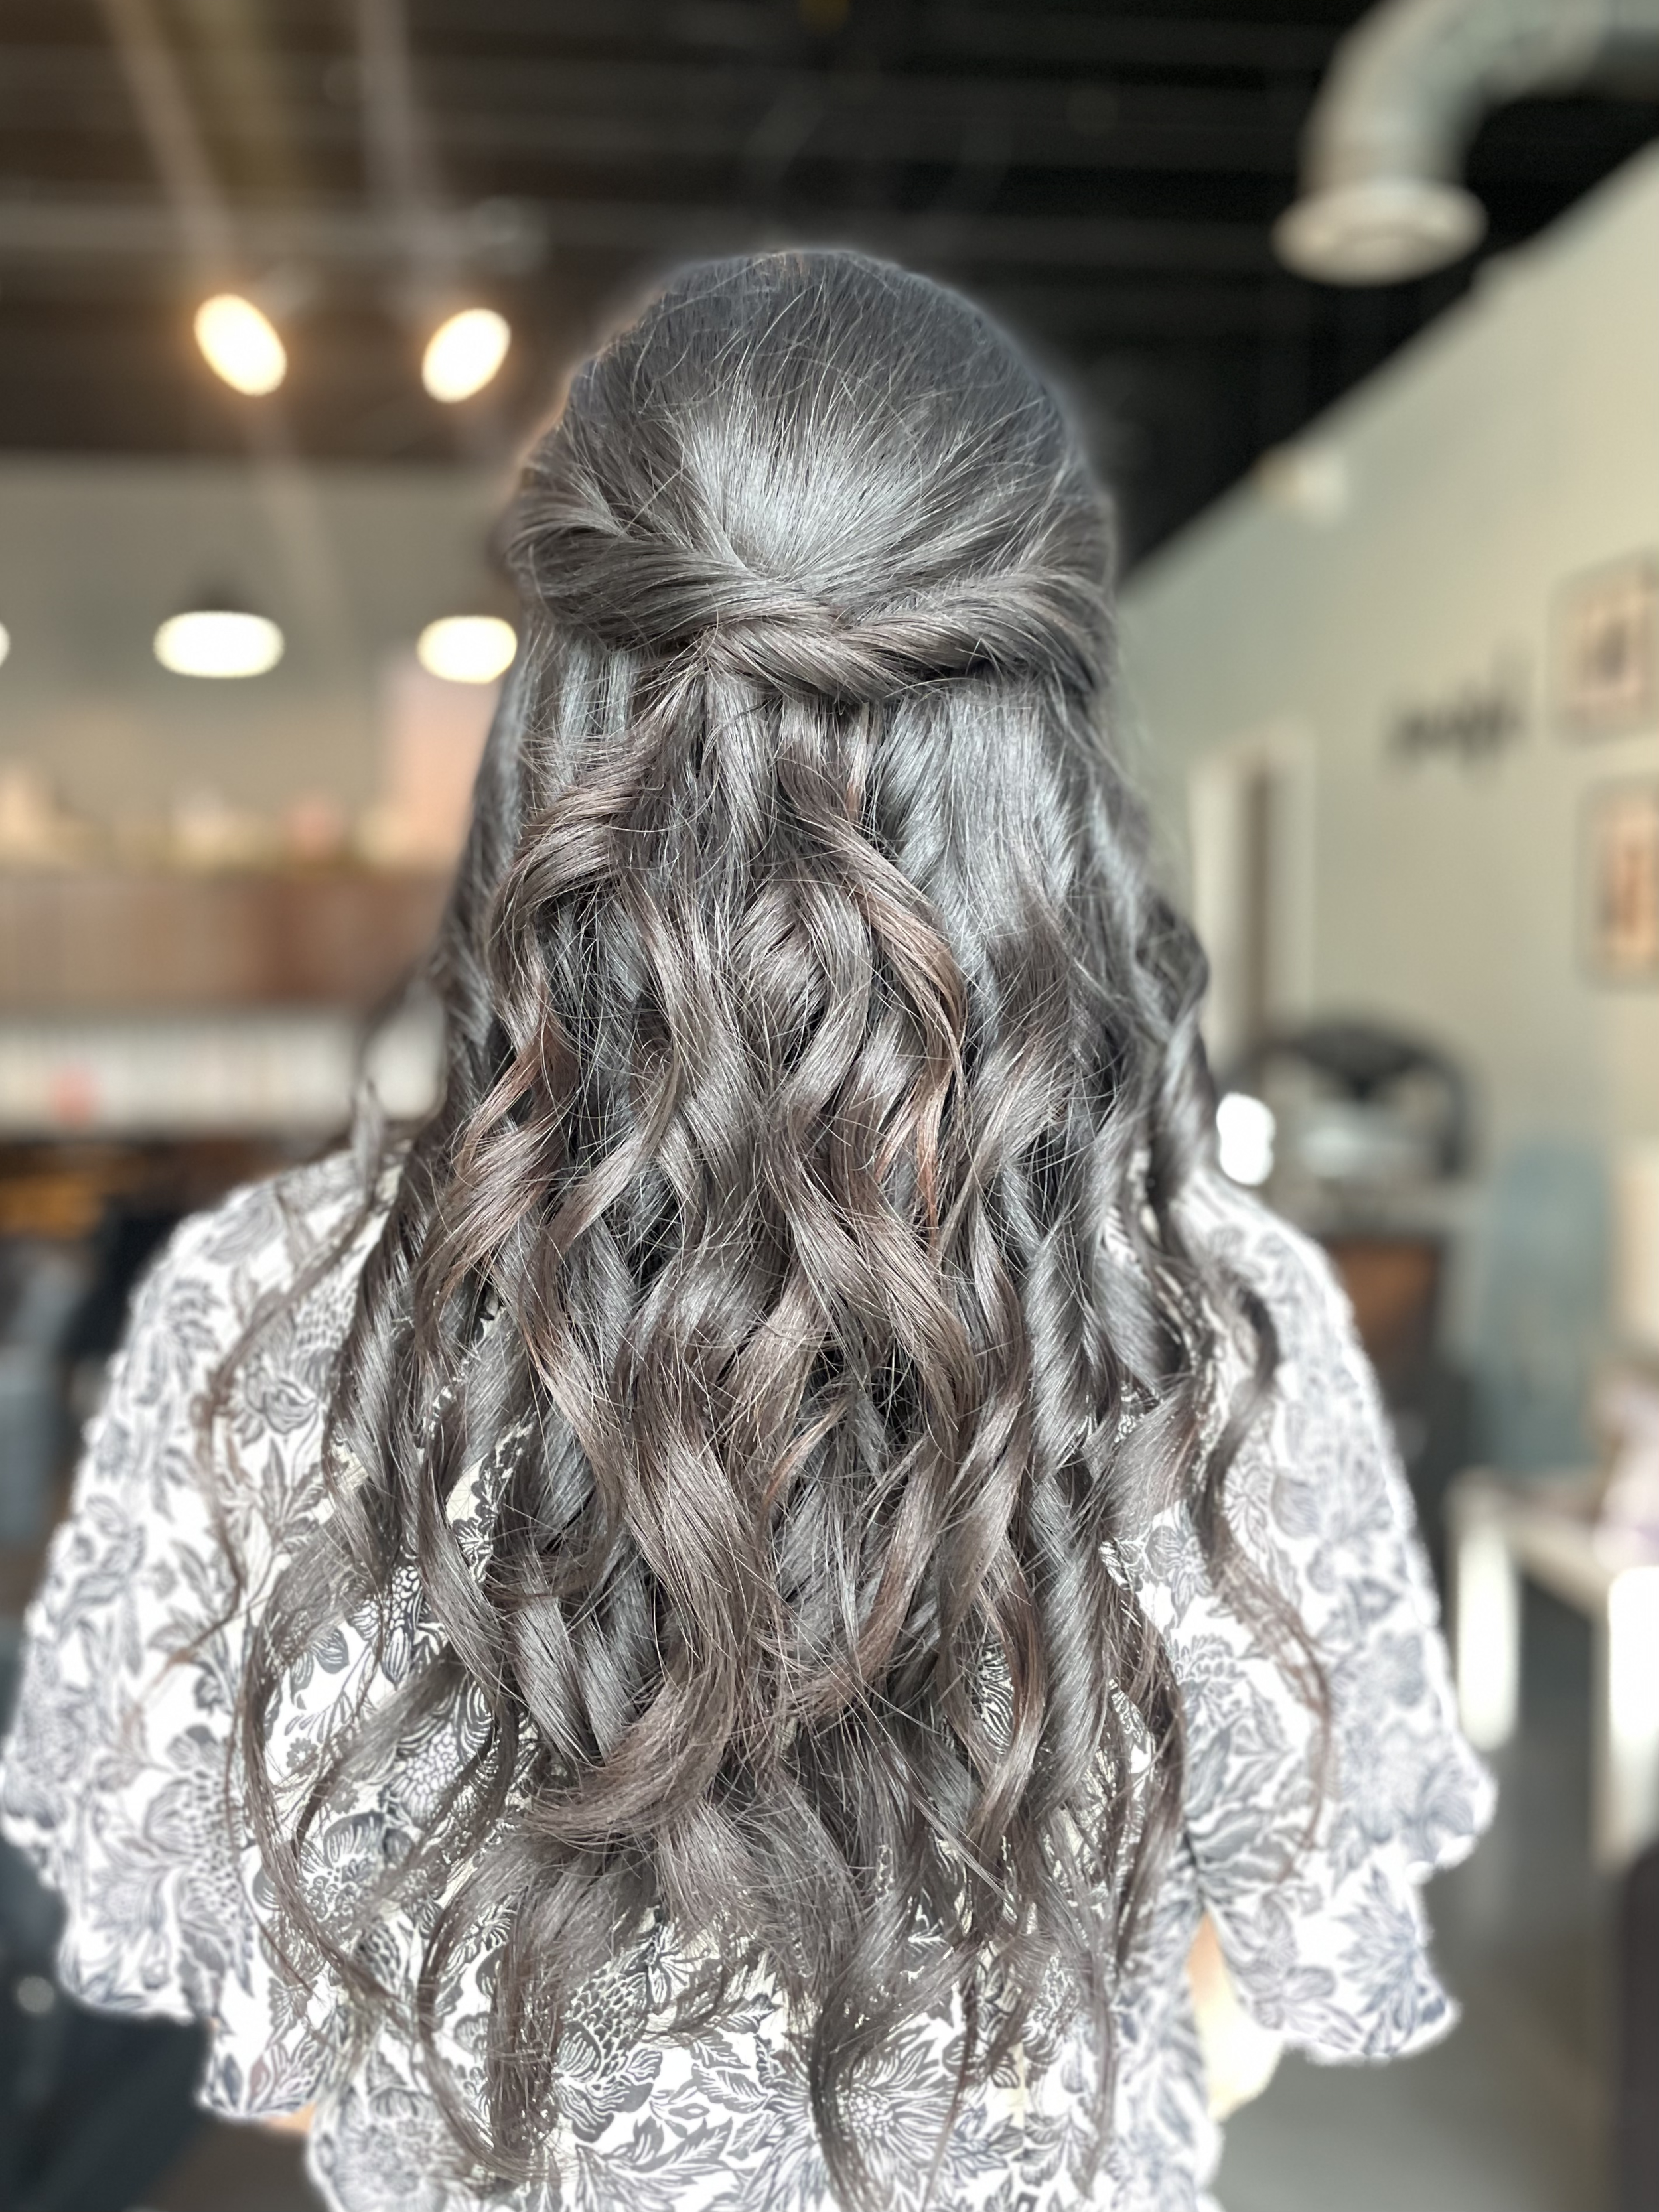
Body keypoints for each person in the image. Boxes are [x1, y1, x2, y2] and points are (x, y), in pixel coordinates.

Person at [0, 251, 1491, 2212]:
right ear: (1038, 762)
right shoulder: (1218, 1325)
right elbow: (1232, 2008)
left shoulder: (264, 1322)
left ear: (554, 712)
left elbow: (281, 2062)